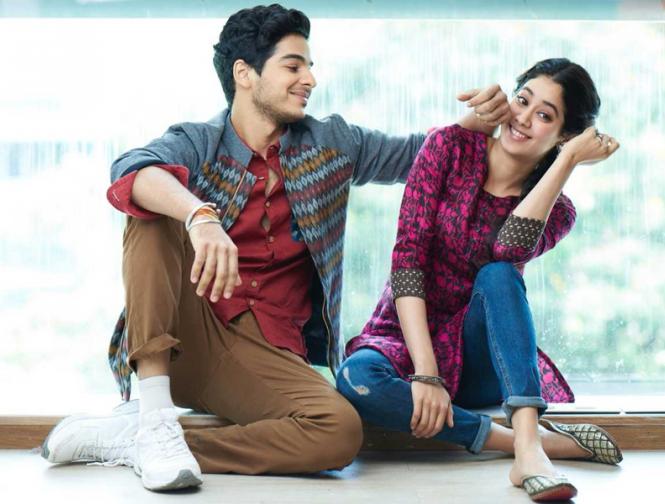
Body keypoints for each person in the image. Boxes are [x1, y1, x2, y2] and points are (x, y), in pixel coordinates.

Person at [40, 3, 506, 492]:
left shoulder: (331, 143)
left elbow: (419, 156)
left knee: (339, 433)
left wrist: (477, 123)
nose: (310, 79)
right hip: (187, 336)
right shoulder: (199, 142)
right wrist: (200, 217)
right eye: (293, 65)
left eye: (310, 66)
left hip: (267, 354)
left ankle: (143, 442)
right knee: (151, 203)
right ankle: (154, 414)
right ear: (245, 74)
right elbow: (130, 169)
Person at [337, 58, 623, 502]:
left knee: (498, 274)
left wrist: (565, 162)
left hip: (480, 356)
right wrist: (426, 373)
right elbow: (407, 260)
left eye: (544, 116)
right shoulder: (447, 147)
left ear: (565, 136)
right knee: (357, 380)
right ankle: (529, 444)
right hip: (406, 339)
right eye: (522, 100)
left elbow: (507, 251)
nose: (523, 118)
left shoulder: (558, 211)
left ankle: (528, 448)